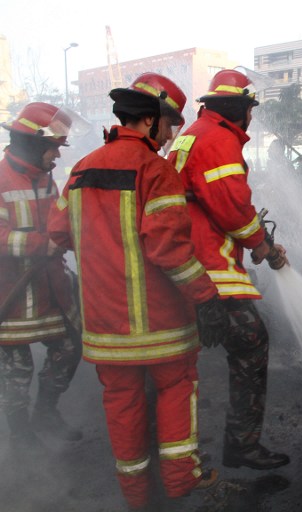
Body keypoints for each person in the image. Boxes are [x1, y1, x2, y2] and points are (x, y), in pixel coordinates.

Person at [48, 72, 225, 509]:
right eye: (170, 126)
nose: (171, 136)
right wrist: (207, 297)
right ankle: (181, 483)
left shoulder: (81, 169)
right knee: (175, 391)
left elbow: (57, 230)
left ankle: (136, 498)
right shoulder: (155, 170)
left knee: (122, 406)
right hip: (161, 327)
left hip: (106, 329)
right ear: (149, 121)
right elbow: (169, 250)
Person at [167, 68, 290, 471]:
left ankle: (174, 452)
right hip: (210, 267)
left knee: (179, 362)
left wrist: (256, 240)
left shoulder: (193, 135)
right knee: (252, 344)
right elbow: (232, 207)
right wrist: (263, 246)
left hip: (186, 263)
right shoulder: (219, 139)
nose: (252, 118)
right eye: (250, 109)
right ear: (238, 108)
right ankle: (241, 444)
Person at [0, 102, 83, 451]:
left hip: (50, 289)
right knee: (17, 374)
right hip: (12, 296)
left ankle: (46, 412)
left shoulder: (46, 178)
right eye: (54, 148)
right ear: (36, 144)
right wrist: (40, 244)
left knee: (69, 346)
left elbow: (58, 224)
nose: (58, 157)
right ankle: (20, 437)